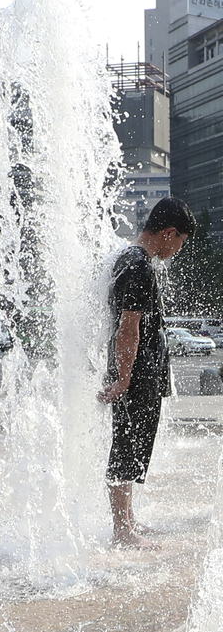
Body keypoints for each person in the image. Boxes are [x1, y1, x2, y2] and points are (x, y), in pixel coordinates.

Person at [98, 197, 196, 548]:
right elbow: (129, 327)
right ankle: (122, 530)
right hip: (136, 375)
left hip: (134, 371)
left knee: (132, 445)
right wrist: (124, 378)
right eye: (180, 242)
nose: (177, 250)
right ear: (169, 232)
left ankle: (128, 521)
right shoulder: (139, 266)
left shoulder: (127, 258)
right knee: (127, 446)